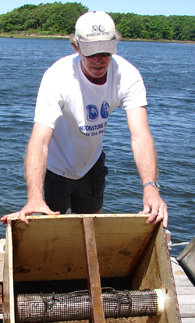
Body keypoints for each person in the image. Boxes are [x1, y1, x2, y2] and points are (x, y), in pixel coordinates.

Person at [1, 11, 168, 227]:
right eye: (90, 53)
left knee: (91, 227)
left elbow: (140, 135)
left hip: (91, 165)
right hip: (56, 168)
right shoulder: (57, 77)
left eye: (105, 52)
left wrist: (151, 188)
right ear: (76, 47)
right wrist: (34, 196)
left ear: (114, 45)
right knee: (58, 233)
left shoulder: (128, 76)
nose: (98, 60)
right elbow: (39, 141)